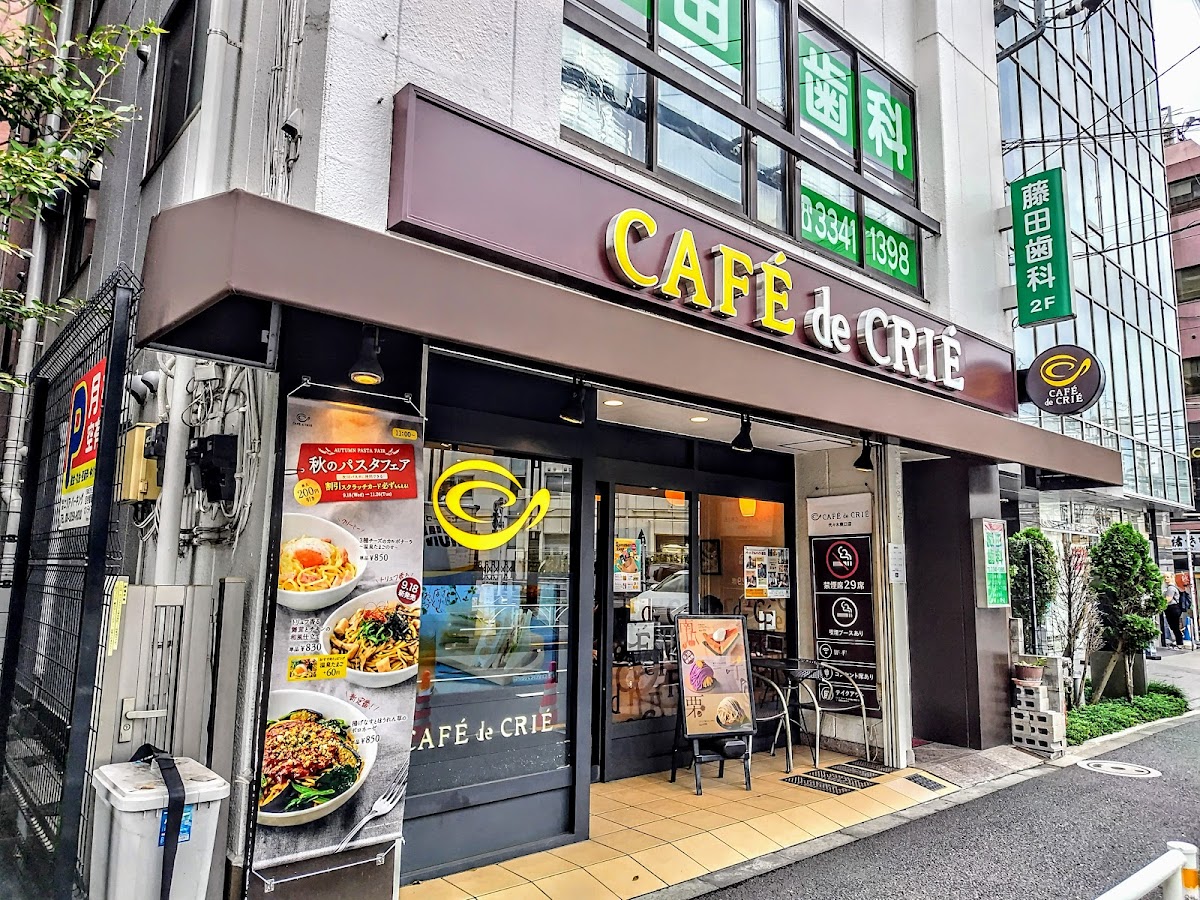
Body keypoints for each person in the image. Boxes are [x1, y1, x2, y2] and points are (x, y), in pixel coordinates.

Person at [1164, 576, 1184, 649]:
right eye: (1165, 577)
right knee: (1174, 627)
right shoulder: (1169, 588)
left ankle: (1179, 643)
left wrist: (1160, 603)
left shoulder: (1171, 588)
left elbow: (1168, 599)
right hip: (1173, 608)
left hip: (1173, 608)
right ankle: (1178, 642)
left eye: (1168, 577)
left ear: (1172, 578)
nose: (1166, 579)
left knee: (1175, 626)